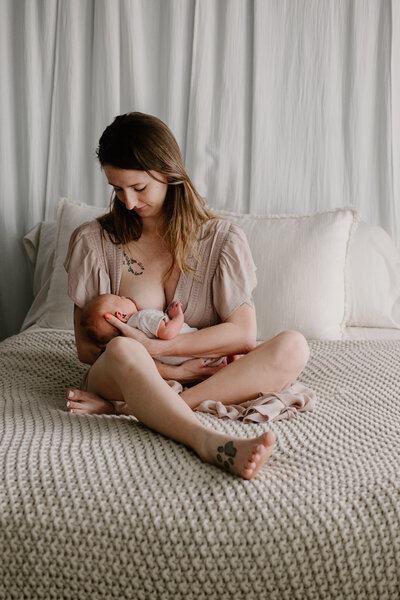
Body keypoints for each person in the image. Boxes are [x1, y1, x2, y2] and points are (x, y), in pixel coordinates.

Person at [64, 112, 310, 479]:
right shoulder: (94, 242)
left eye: (139, 187)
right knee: (122, 348)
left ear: (168, 172)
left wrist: (161, 350)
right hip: (122, 372)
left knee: (294, 346)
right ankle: (207, 441)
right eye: (117, 189)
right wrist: (160, 367)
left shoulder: (222, 241)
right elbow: (87, 349)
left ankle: (147, 408)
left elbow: (242, 334)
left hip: (202, 377)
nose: (128, 202)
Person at [80, 292, 230, 366]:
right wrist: (178, 317)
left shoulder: (129, 342)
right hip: (200, 348)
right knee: (227, 341)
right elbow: (167, 332)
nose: (125, 296)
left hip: (190, 363)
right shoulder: (141, 317)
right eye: (120, 298)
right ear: (121, 315)